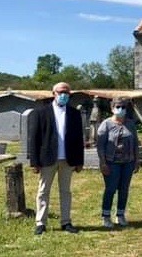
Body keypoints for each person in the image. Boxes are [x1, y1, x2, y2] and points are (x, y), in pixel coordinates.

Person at [28, 82, 84, 235]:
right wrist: (34, 162)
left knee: (66, 191)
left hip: (68, 159)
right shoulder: (40, 113)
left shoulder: (74, 113)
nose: (64, 94)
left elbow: (79, 138)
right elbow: (34, 139)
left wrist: (80, 161)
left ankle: (66, 222)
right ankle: (40, 223)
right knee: (43, 191)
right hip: (47, 159)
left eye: (67, 92)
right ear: (53, 93)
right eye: (60, 92)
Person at [97, 96, 140, 228]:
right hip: (111, 162)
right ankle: (106, 216)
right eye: (118, 107)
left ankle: (120, 215)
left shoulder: (130, 124)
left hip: (128, 162)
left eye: (123, 107)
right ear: (112, 108)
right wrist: (103, 162)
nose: (120, 109)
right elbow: (100, 145)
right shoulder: (106, 124)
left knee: (124, 189)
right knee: (110, 189)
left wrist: (136, 160)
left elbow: (135, 143)